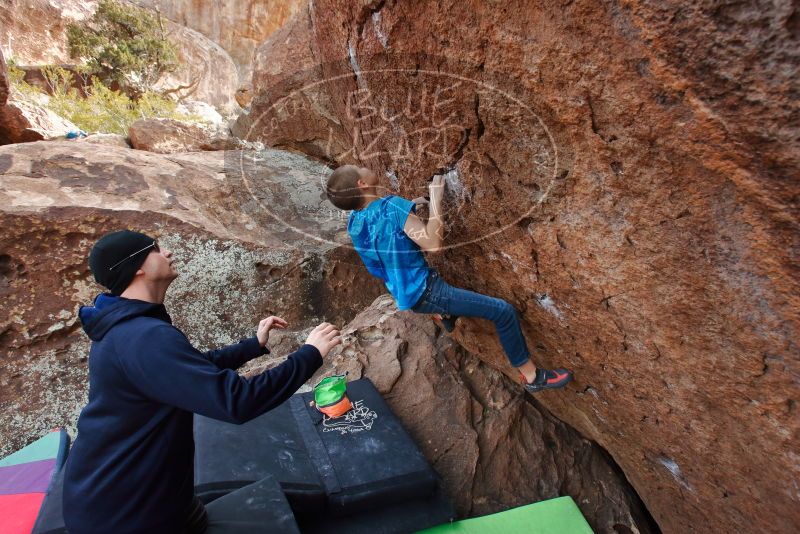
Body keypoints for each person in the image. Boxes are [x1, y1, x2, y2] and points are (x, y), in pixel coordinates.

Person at [62, 230, 341, 534]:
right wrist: (310, 354)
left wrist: (252, 345)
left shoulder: (128, 328)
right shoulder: (143, 337)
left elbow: (187, 371)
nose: (167, 252)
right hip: (126, 515)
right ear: (138, 267)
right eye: (155, 249)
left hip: (140, 497)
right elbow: (237, 401)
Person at [325, 165, 573, 393]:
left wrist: (406, 211)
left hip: (405, 292)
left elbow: (378, 257)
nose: (365, 166)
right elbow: (432, 244)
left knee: (450, 304)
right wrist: (436, 199)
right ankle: (532, 376)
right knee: (503, 312)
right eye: (359, 169)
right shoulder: (392, 207)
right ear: (361, 184)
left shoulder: (355, 222)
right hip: (428, 291)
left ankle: (445, 314)